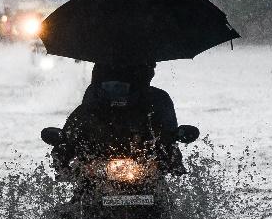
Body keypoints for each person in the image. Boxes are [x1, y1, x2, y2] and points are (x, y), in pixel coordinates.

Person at [53, 63, 183, 174]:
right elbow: (71, 134)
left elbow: (169, 135)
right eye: (110, 85)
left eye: (121, 86)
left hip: (146, 170)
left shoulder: (157, 101)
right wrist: (63, 155)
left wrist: (171, 158)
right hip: (95, 174)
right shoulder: (91, 104)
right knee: (80, 198)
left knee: (164, 199)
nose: (116, 90)